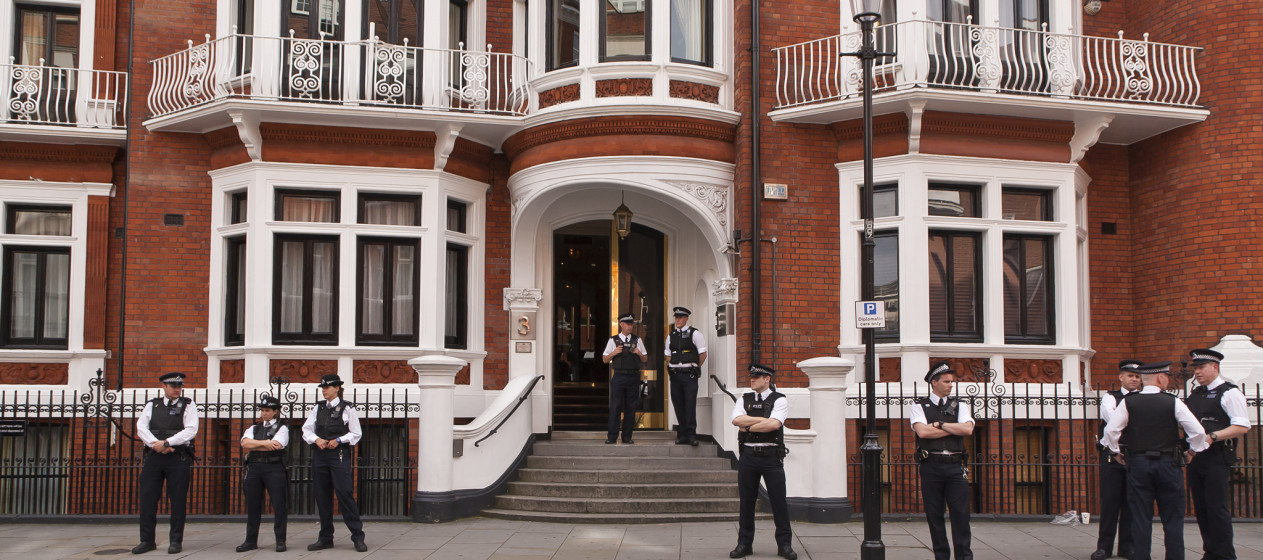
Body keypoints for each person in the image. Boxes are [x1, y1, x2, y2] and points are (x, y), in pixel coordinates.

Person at [1102, 361, 1208, 560]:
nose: (1167, 381)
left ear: (1143, 379)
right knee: (1173, 519)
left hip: (1138, 463)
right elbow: (1198, 432)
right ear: (1160, 378)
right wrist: (1193, 452)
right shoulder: (1173, 401)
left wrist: (1115, 452)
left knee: (1140, 517)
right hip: (1169, 464)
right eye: (1166, 377)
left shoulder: (1129, 401)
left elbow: (1111, 430)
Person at [1184, 348, 1250, 560]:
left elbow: (1242, 426)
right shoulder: (1196, 394)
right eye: (1195, 368)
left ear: (1215, 367)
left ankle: (1224, 555)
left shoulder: (1229, 392)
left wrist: (1213, 435)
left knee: (1216, 508)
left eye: (1201, 367)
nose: (1197, 372)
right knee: (1201, 508)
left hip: (1216, 456)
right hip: (1196, 456)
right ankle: (1210, 552)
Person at [729, 364, 796, 560]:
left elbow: (774, 424)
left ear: (767, 379)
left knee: (778, 502)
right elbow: (736, 420)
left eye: (757, 377)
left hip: (771, 457)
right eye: (751, 376)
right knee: (746, 503)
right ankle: (744, 544)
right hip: (748, 457)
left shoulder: (779, 400)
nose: (752, 379)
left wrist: (748, 427)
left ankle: (784, 545)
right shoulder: (744, 398)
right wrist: (760, 423)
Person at [910, 361, 974, 560]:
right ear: (934, 383)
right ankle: (942, 557)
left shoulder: (961, 405)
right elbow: (922, 432)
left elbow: (968, 430)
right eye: (946, 381)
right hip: (931, 467)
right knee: (934, 516)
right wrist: (951, 429)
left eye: (951, 382)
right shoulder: (919, 406)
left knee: (961, 516)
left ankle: (964, 557)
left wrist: (939, 424)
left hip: (956, 466)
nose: (950, 385)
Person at [133, 372, 199, 555]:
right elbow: (141, 428)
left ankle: (175, 541)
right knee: (148, 499)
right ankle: (147, 540)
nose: (178, 389)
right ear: (164, 386)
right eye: (173, 385)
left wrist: (168, 443)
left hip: (177, 456)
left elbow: (191, 429)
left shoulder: (188, 404)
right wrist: (157, 445)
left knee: (177, 500)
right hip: (155, 456)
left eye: (180, 385)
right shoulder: (152, 404)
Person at [301, 374, 367, 552]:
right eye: (322, 387)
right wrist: (316, 439)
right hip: (320, 454)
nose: (324, 390)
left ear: (337, 388)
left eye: (327, 387)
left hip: (338, 454)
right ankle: (325, 537)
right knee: (322, 497)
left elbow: (356, 433)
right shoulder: (318, 408)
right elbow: (306, 429)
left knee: (345, 494)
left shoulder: (347, 408)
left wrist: (339, 439)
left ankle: (358, 537)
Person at [1093, 359, 1143, 560]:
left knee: (1132, 502)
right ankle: (1104, 547)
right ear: (1121, 377)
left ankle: (1127, 547)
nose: (1134, 379)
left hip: (1134, 454)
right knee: (1110, 502)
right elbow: (1112, 419)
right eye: (1130, 375)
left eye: (1138, 376)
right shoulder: (1110, 397)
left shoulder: (1142, 398)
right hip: (1112, 456)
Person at [237, 396, 289, 553]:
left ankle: (280, 540)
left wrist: (257, 445)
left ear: (275, 411)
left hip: (273, 468)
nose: (264, 413)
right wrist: (266, 443)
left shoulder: (282, 428)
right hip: (254, 468)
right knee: (253, 505)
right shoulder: (254, 428)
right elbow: (245, 444)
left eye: (267, 410)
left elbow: (277, 445)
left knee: (279, 505)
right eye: (262, 410)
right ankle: (250, 540)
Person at [664, 306, 707, 446]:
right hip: (676, 375)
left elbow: (702, 354)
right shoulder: (671, 336)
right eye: (676, 317)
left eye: (680, 317)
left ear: (686, 318)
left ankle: (691, 435)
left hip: (689, 375)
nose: (678, 320)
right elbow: (668, 355)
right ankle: (682, 435)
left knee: (689, 405)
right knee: (678, 405)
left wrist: (695, 367)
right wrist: (672, 366)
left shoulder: (695, 334)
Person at [602, 313, 646, 444]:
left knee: (630, 408)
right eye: (627, 324)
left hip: (633, 376)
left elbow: (645, 358)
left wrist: (638, 353)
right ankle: (612, 436)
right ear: (621, 324)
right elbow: (604, 359)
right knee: (615, 407)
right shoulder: (613, 340)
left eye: (631, 324)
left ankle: (627, 437)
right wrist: (613, 353)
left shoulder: (637, 340)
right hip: (619, 376)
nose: (630, 326)